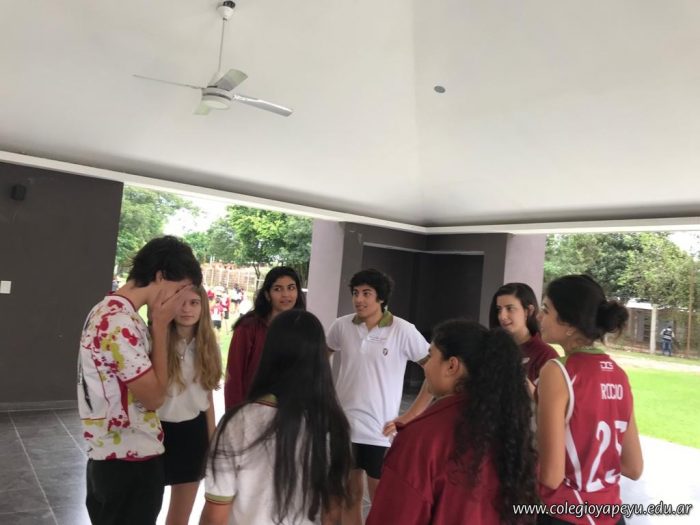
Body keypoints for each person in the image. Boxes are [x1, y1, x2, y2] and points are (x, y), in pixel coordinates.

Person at [77, 235, 202, 525]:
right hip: (129, 462)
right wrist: (160, 326)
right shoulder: (118, 321)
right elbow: (155, 397)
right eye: (179, 290)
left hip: (112, 456)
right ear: (160, 276)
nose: (180, 302)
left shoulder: (110, 311)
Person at [366, 320, 538, 524]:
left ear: (451, 366)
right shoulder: (511, 431)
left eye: (430, 356)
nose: (425, 366)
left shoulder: (421, 439)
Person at [200, 310, 354, 525]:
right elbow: (332, 517)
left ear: (268, 354)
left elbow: (215, 516)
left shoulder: (237, 422)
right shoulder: (333, 426)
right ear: (320, 359)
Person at [326, 268, 433, 525]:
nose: (359, 299)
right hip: (344, 427)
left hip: (380, 432)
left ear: (381, 298)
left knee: (382, 501)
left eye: (366, 293)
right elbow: (321, 358)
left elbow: (434, 373)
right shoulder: (341, 326)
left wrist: (410, 415)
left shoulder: (403, 330)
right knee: (350, 496)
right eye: (355, 293)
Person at [536, 275, 643, 525]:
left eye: (546, 310)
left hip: (565, 514)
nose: (539, 317)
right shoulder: (619, 375)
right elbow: (633, 467)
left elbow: (551, 477)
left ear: (570, 323)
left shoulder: (557, 371)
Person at [158, 285, 222, 525]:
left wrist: (212, 437)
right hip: (156, 431)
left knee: (179, 516)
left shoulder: (208, 345)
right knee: (146, 508)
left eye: (194, 303)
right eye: (181, 303)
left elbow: (208, 397)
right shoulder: (157, 342)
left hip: (193, 433)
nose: (187, 309)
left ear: (203, 307)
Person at [224, 266, 305, 410]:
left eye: (291, 288)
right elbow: (234, 377)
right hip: (252, 410)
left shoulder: (303, 327)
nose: (286, 294)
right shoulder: (248, 327)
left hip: (288, 412)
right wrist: (234, 415)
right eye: (278, 289)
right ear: (267, 295)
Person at [489, 282, 559, 385]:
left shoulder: (545, 355)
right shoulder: (492, 349)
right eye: (499, 309)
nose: (502, 316)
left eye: (510, 308)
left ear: (529, 311)